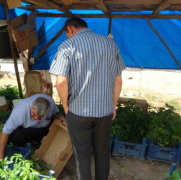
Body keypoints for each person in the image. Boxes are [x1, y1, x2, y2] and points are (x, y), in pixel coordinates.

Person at [49, 18, 125, 180]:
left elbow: (61, 82)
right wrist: (113, 105)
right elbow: (118, 80)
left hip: (78, 111)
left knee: (82, 156)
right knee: (102, 152)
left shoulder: (67, 47)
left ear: (70, 29)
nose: (67, 37)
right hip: (104, 111)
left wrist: (65, 105)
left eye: (66, 33)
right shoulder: (110, 44)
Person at [0, 94, 65, 159]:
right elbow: (5, 132)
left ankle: (37, 141)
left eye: (40, 117)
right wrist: (0, 156)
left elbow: (55, 113)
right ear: (32, 106)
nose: (35, 118)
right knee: (15, 136)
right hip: (27, 129)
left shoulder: (51, 103)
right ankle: (23, 150)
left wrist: (58, 116)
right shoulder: (20, 111)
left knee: (53, 130)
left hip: (43, 128)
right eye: (34, 114)